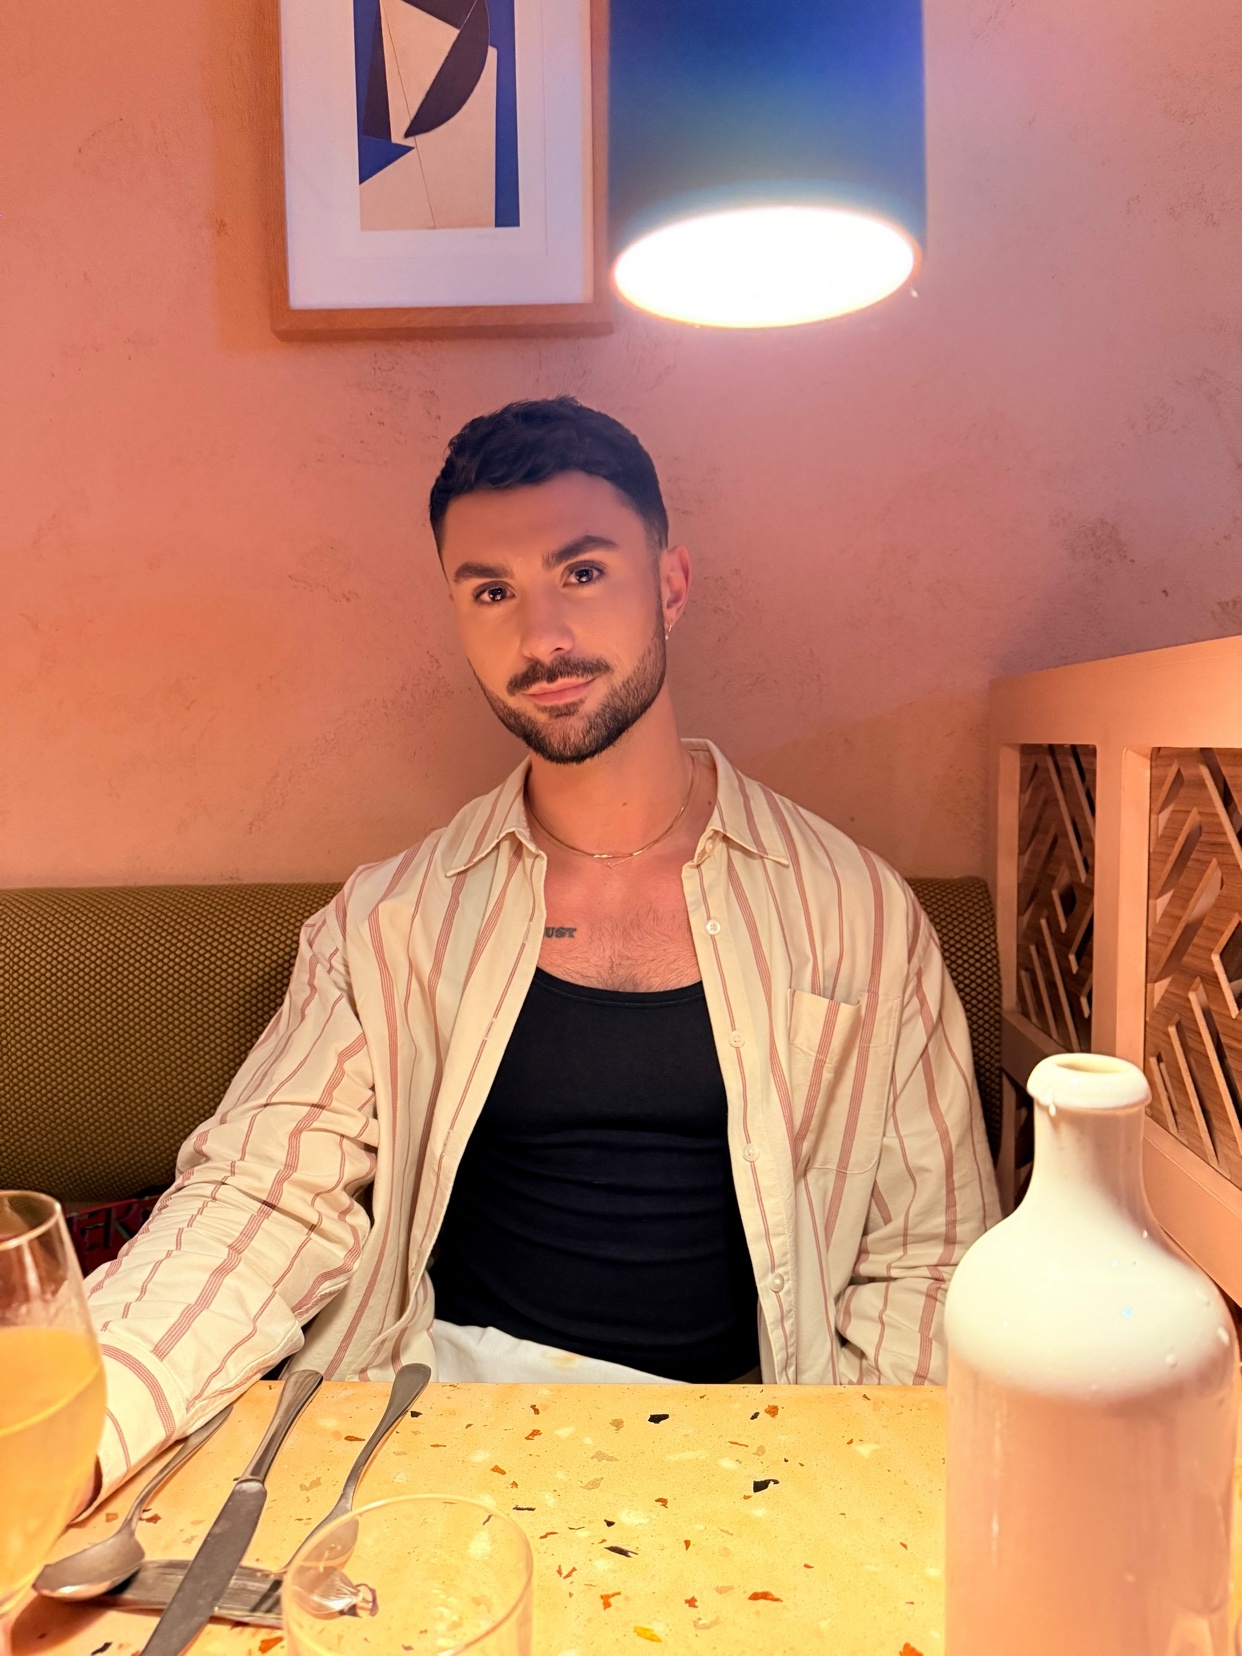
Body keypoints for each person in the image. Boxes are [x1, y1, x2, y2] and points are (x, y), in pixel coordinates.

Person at [85, 397, 999, 1500]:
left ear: (669, 582)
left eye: (582, 572)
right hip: (445, 1424)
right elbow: (259, 1196)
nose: (542, 637)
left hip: (748, 1437)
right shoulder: (387, 923)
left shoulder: (859, 914)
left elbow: (929, 1259)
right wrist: (76, 1425)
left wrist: (851, 1497)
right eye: (491, 592)